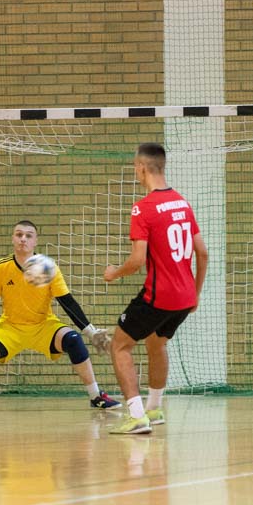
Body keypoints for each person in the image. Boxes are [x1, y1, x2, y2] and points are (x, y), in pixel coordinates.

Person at [0, 220, 120, 413]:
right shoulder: (1, 267)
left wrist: (90, 332)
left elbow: (67, 302)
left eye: (29, 235)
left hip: (44, 326)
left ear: (35, 241)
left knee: (73, 340)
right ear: (12, 239)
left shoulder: (48, 267)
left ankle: (95, 396)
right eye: (19, 234)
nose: (23, 239)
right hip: (10, 328)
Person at [102, 143, 208, 434]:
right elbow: (203, 253)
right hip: (184, 297)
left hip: (159, 296)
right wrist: (196, 293)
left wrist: (114, 273)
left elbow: (137, 261)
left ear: (141, 168)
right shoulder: (182, 203)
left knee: (119, 345)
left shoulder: (143, 207)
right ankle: (154, 408)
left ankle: (136, 416)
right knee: (156, 343)